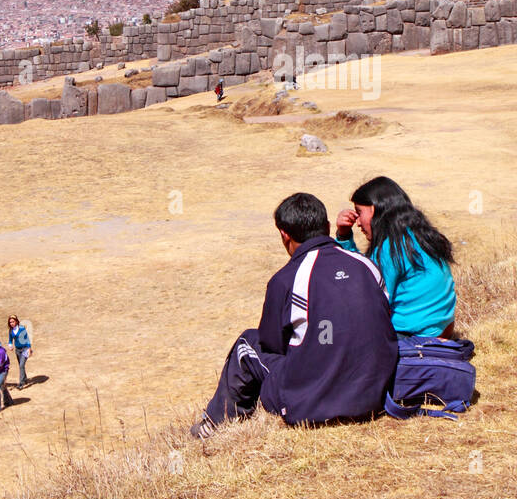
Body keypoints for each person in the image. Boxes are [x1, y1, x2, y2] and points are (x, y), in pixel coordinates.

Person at [190, 193, 398, 437]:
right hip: (374, 398)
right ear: (327, 227)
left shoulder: (286, 278)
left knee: (247, 343)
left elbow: (272, 344)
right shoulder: (366, 265)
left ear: (284, 234)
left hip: (310, 406)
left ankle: (215, 424)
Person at [335, 176, 457, 339]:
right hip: (443, 327)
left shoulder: (391, 248)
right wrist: (344, 237)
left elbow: (368, 295)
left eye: (359, 212)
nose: (357, 223)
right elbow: (366, 272)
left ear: (374, 209)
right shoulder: (418, 233)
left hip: (417, 336)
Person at [7, 315, 32, 388]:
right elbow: (10, 340)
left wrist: (29, 348)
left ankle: (21, 383)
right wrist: (10, 345)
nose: (11, 323)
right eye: (10, 322)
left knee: (21, 366)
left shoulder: (21, 329)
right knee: (21, 366)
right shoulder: (11, 331)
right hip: (17, 350)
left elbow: (27, 338)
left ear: (16, 321)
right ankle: (25, 379)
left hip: (25, 349)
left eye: (13, 321)